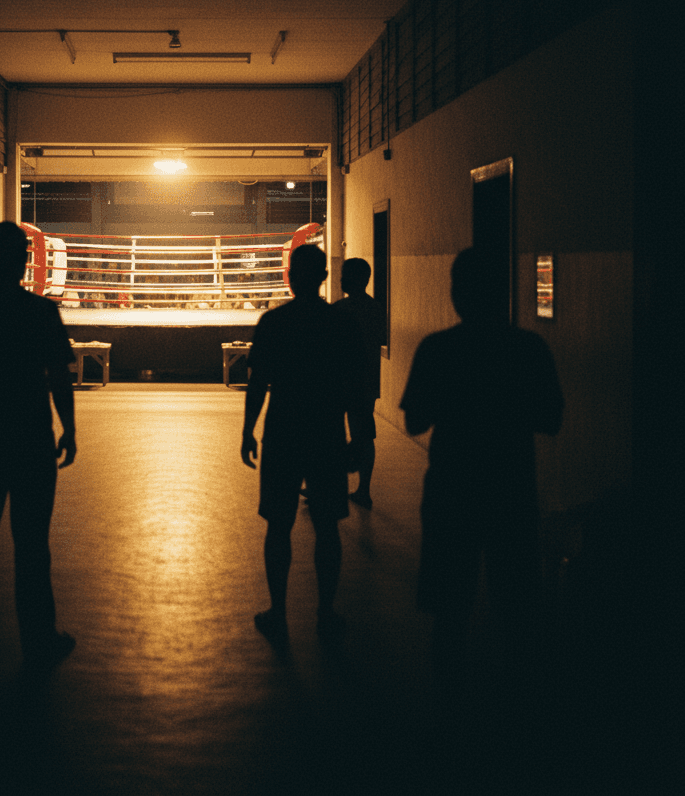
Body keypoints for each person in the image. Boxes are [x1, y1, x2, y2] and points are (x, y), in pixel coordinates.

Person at [400, 247, 563, 699]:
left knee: (450, 610)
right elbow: (550, 419)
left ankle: (449, 707)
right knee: (516, 607)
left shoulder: (438, 349)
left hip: (452, 489)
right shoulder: (529, 349)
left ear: (457, 293)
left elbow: (414, 421)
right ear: (503, 293)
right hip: (512, 489)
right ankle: (518, 709)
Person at [0, 222, 77, 669]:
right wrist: (71, 429)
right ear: (25, 258)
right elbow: (60, 375)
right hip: (29, 439)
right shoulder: (39, 312)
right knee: (31, 547)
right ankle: (39, 640)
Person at [241, 244, 362, 645]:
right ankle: (326, 611)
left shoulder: (274, 322)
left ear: (291, 276)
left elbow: (258, 383)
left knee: (279, 524)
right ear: (325, 278)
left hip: (283, 429)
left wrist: (247, 430)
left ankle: (278, 611)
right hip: (326, 431)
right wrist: (356, 438)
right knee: (327, 526)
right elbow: (353, 387)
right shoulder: (340, 324)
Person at [336, 258, 388, 508]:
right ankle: (363, 490)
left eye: (345, 274)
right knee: (364, 436)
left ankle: (328, 484)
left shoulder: (339, 310)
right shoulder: (376, 309)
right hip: (366, 383)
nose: (341, 278)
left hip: (340, 383)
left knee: (332, 434)